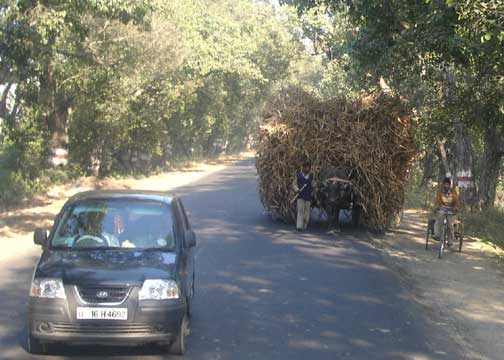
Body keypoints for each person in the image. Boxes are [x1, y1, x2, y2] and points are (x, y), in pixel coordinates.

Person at [434, 177, 460, 245]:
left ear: (449, 185)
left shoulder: (454, 192)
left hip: (452, 211)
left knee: (450, 225)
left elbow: (456, 202)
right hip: (442, 209)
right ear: (443, 184)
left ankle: (450, 241)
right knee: (438, 220)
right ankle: (437, 235)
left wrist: (456, 208)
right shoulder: (440, 192)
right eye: (445, 184)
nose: (446, 186)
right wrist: (437, 207)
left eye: (447, 184)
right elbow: (437, 201)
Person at [293, 162, 314, 231]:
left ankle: (305, 225)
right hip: (300, 196)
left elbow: (313, 184)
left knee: (307, 213)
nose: (307, 169)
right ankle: (299, 226)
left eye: (308, 167)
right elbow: (294, 184)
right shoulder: (298, 175)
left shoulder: (311, 176)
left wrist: (315, 186)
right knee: (300, 211)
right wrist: (297, 189)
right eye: (306, 167)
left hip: (308, 197)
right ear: (303, 168)